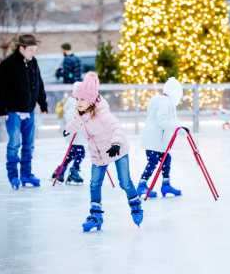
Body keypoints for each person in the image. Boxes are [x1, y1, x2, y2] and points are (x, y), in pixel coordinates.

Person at [64, 72, 143, 231]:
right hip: (98, 153)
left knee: (124, 182)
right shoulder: (80, 111)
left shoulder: (102, 112)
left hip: (117, 149)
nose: (78, 102)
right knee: (94, 184)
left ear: (91, 100)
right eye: (77, 99)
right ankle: (96, 216)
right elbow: (76, 122)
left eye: (82, 99)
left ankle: (136, 206)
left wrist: (115, 144)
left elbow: (116, 127)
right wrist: (68, 130)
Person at [0, 34, 48, 190]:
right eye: (31, 50)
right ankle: (13, 176)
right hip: (12, 112)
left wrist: (42, 104)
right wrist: (2, 109)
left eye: (35, 50)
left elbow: (39, 83)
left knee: (29, 145)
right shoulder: (8, 64)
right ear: (21, 48)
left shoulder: (33, 62)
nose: (33, 53)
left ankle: (26, 174)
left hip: (29, 111)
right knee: (14, 144)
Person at [137, 77, 183, 198]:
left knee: (166, 159)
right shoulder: (164, 103)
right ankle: (142, 185)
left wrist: (179, 127)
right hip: (153, 140)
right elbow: (162, 121)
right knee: (153, 162)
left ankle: (166, 185)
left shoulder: (165, 102)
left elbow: (168, 121)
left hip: (159, 141)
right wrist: (177, 127)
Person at [52, 82, 85, 185]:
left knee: (71, 154)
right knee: (80, 152)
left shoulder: (78, 102)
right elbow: (71, 118)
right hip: (73, 133)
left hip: (78, 134)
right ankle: (74, 170)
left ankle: (60, 170)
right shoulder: (72, 103)